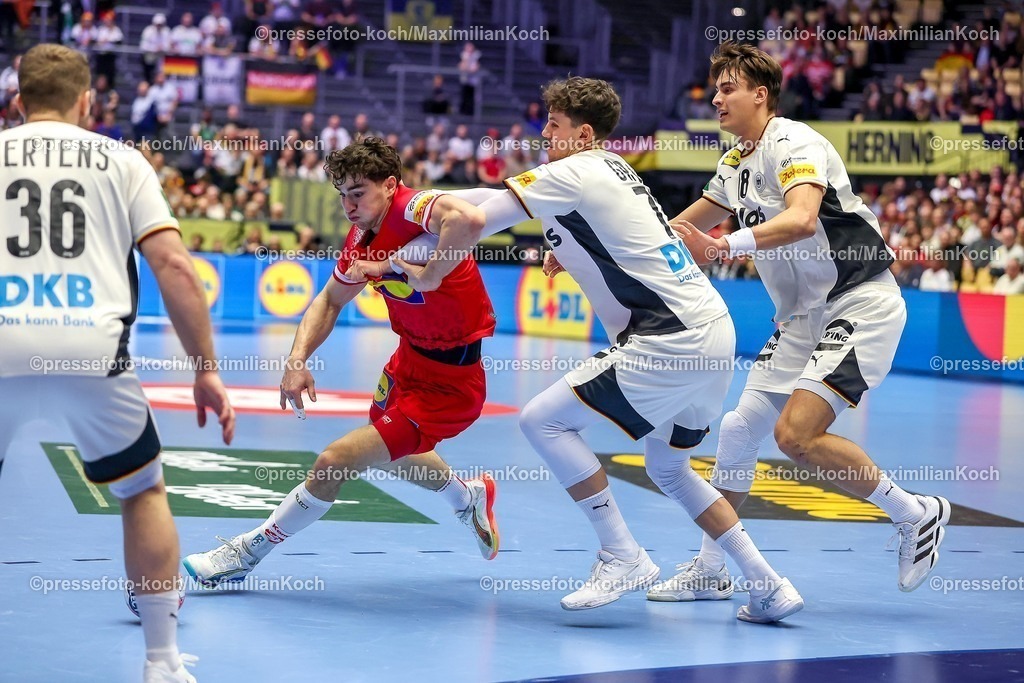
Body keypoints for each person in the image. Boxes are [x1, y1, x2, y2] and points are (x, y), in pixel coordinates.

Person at [384, 76, 803, 622]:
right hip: (712, 330)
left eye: (554, 124)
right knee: (670, 468)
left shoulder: (572, 171)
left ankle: (622, 554)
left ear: (583, 134)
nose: (544, 132)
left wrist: (404, 218)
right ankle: (767, 584)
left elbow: (477, 215)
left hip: (668, 334)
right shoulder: (614, 167)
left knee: (543, 421)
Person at [651, 41, 949, 602]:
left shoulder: (793, 142)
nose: (716, 99)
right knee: (738, 430)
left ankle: (915, 513)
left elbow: (803, 217)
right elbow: (678, 228)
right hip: (800, 319)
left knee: (795, 436)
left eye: (727, 88)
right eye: (715, 89)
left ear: (760, 95)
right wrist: (596, 249)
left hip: (859, 303)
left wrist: (724, 246)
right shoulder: (734, 163)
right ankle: (712, 567)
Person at [0, 44, 235, 683]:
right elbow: (175, 266)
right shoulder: (123, 161)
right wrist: (205, 369)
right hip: (91, 350)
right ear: (88, 103)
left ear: (17, 102)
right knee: (142, 489)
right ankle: (161, 661)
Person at [183, 138, 501, 588]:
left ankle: (246, 552)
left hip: (450, 383)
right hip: (407, 361)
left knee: (334, 461)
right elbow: (330, 300)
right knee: (390, 456)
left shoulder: (414, 208)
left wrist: (429, 276)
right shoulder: (360, 239)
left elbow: (469, 219)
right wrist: (297, 359)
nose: (348, 205)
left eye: (358, 193)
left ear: (389, 185)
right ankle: (467, 497)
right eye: (342, 194)